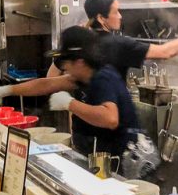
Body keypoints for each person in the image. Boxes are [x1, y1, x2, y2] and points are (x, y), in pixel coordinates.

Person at [0, 0, 178, 102]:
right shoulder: (117, 44)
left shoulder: (82, 39)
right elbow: (166, 52)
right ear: (101, 17)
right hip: (110, 127)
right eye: (116, 12)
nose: (121, 17)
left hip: (88, 129)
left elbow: (50, 80)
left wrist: (9, 90)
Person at [47, 26, 141, 157]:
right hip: (96, 152)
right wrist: (10, 90)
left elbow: (111, 119)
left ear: (79, 62)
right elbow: (46, 84)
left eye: (66, 62)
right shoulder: (82, 76)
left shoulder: (102, 77)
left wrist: (69, 103)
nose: (63, 67)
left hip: (120, 160)